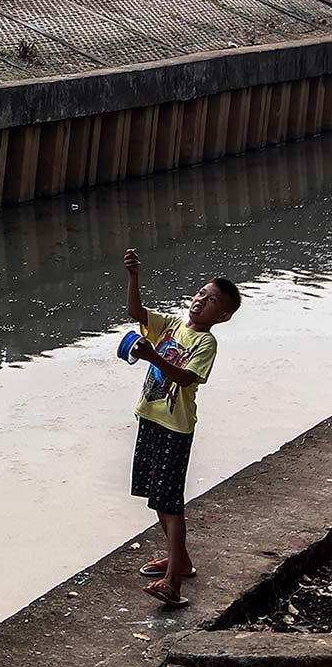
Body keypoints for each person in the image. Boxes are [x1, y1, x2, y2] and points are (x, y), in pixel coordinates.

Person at [123, 248, 241, 609]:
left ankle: (173, 582)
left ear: (222, 316)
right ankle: (181, 561)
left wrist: (153, 357)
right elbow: (135, 313)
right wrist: (133, 277)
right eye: (201, 294)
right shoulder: (172, 325)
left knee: (171, 503)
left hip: (175, 428)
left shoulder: (206, 342)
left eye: (211, 301)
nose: (201, 302)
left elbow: (186, 377)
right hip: (151, 417)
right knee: (157, 497)